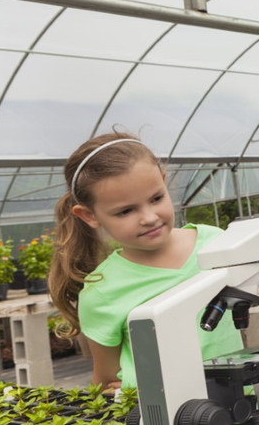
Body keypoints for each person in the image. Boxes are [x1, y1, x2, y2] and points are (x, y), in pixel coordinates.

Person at [49, 133, 245, 390]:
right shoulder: (101, 292)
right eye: (125, 211)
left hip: (237, 404)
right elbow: (108, 380)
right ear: (89, 216)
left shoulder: (216, 245)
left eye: (156, 198)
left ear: (164, 183)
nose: (149, 217)